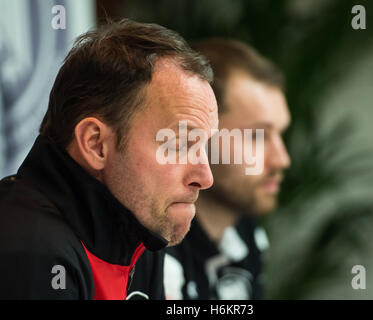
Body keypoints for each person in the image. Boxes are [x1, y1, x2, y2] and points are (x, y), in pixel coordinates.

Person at [0, 20, 218, 300]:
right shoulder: (31, 253)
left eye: (204, 147)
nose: (205, 177)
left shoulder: (140, 233)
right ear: (96, 144)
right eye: (178, 145)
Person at [162, 38, 291, 300]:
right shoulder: (154, 252)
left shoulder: (247, 233)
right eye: (257, 136)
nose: (282, 160)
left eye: (280, 135)